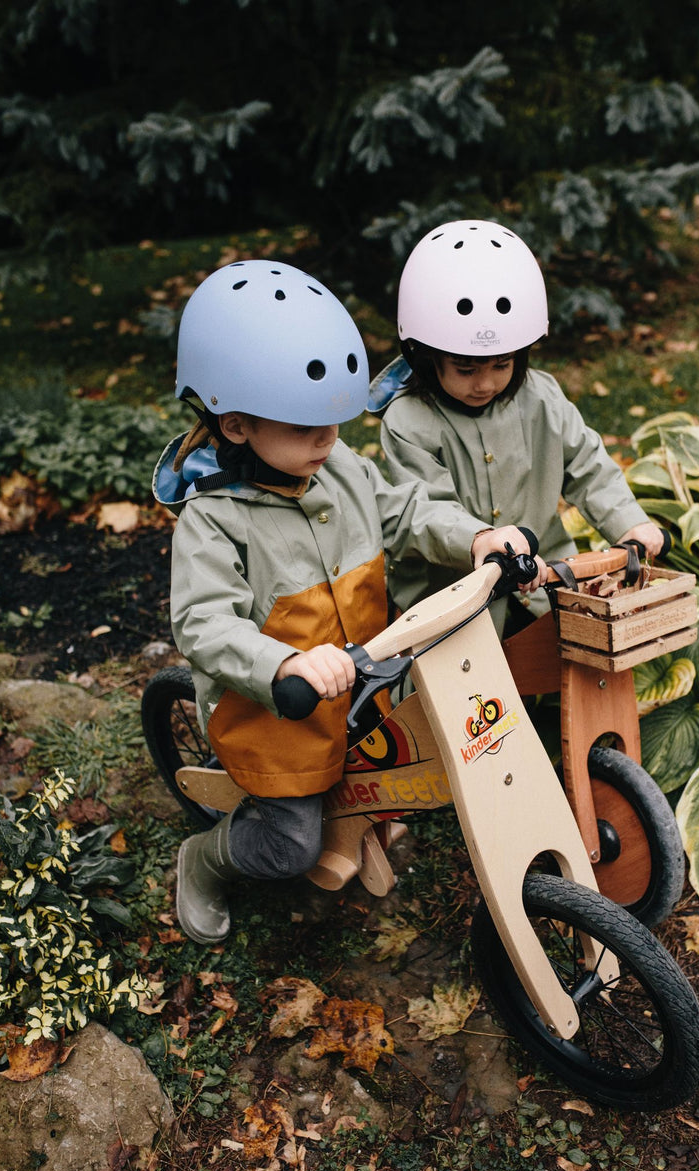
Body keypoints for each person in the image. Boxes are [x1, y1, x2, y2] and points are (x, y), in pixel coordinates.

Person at [152, 258, 543, 944]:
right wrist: (281, 667)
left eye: (334, 424)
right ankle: (206, 859)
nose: (328, 442)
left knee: (402, 769)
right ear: (237, 425)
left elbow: (405, 509)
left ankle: (355, 825)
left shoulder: (340, 468)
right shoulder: (215, 520)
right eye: (306, 428)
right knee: (291, 846)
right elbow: (203, 622)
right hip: (282, 715)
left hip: (363, 692)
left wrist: (476, 534)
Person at [370, 219, 663, 636]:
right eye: (466, 368)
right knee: (466, 697)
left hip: (547, 586)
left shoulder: (542, 398)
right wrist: (478, 538)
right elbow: (422, 510)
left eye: (502, 364)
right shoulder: (409, 421)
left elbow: (588, 463)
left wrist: (628, 524)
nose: (485, 383)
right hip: (454, 602)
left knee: (579, 672)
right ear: (425, 355)